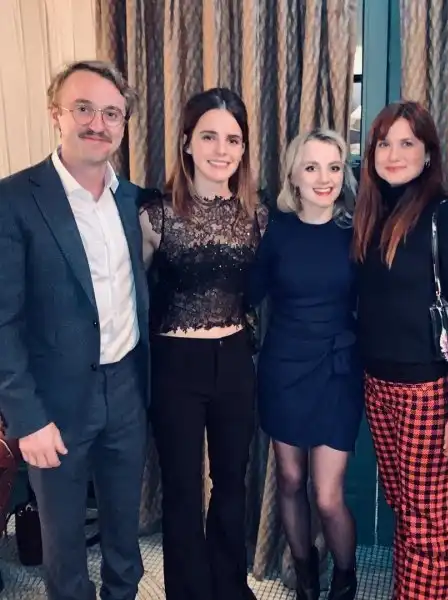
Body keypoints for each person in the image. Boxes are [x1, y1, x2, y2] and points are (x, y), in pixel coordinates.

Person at [0, 60, 150, 600]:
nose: (97, 123)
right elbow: (3, 320)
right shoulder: (14, 199)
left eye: (112, 113)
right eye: (83, 108)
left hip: (127, 389)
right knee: (63, 547)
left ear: (124, 124)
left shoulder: (133, 200)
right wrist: (27, 419)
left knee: (125, 534)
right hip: (54, 403)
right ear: (56, 114)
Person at [352, 101, 448, 600]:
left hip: (426, 392)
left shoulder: (446, 216)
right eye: (384, 143)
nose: (393, 154)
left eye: (407, 143)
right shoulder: (371, 214)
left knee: (427, 524)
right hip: (377, 385)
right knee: (404, 508)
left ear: (428, 153)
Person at [139, 88, 267, 600]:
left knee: (233, 482)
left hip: (235, 360)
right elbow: (128, 296)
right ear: (187, 143)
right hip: (176, 365)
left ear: (244, 148)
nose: (222, 149)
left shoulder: (257, 215)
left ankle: (230, 587)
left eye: (233, 139)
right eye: (209, 136)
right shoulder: (155, 214)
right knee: (183, 488)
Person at [247, 129, 363, 600]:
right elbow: (246, 295)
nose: (323, 178)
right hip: (284, 368)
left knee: (328, 496)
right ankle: (306, 579)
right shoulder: (275, 231)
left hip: (338, 371)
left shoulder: (357, 231)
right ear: (293, 176)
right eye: (311, 167)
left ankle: (345, 579)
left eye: (334, 167)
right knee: (290, 479)